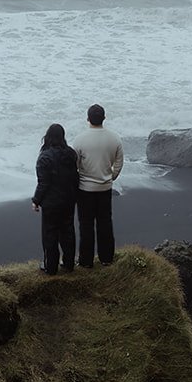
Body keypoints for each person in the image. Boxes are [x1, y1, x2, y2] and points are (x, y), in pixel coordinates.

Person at [72, 103, 123, 267]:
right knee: (105, 223)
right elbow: (119, 162)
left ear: (88, 119)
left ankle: (86, 261)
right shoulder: (114, 138)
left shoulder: (79, 140)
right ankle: (106, 258)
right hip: (105, 187)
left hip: (85, 189)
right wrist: (112, 176)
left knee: (86, 225)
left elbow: (75, 165)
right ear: (104, 118)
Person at [31, 122, 79, 274]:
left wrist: (36, 201)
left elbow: (43, 183)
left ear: (48, 137)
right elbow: (75, 178)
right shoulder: (71, 154)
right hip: (68, 200)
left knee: (50, 235)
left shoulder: (44, 157)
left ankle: (50, 267)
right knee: (68, 232)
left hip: (51, 203)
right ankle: (69, 264)